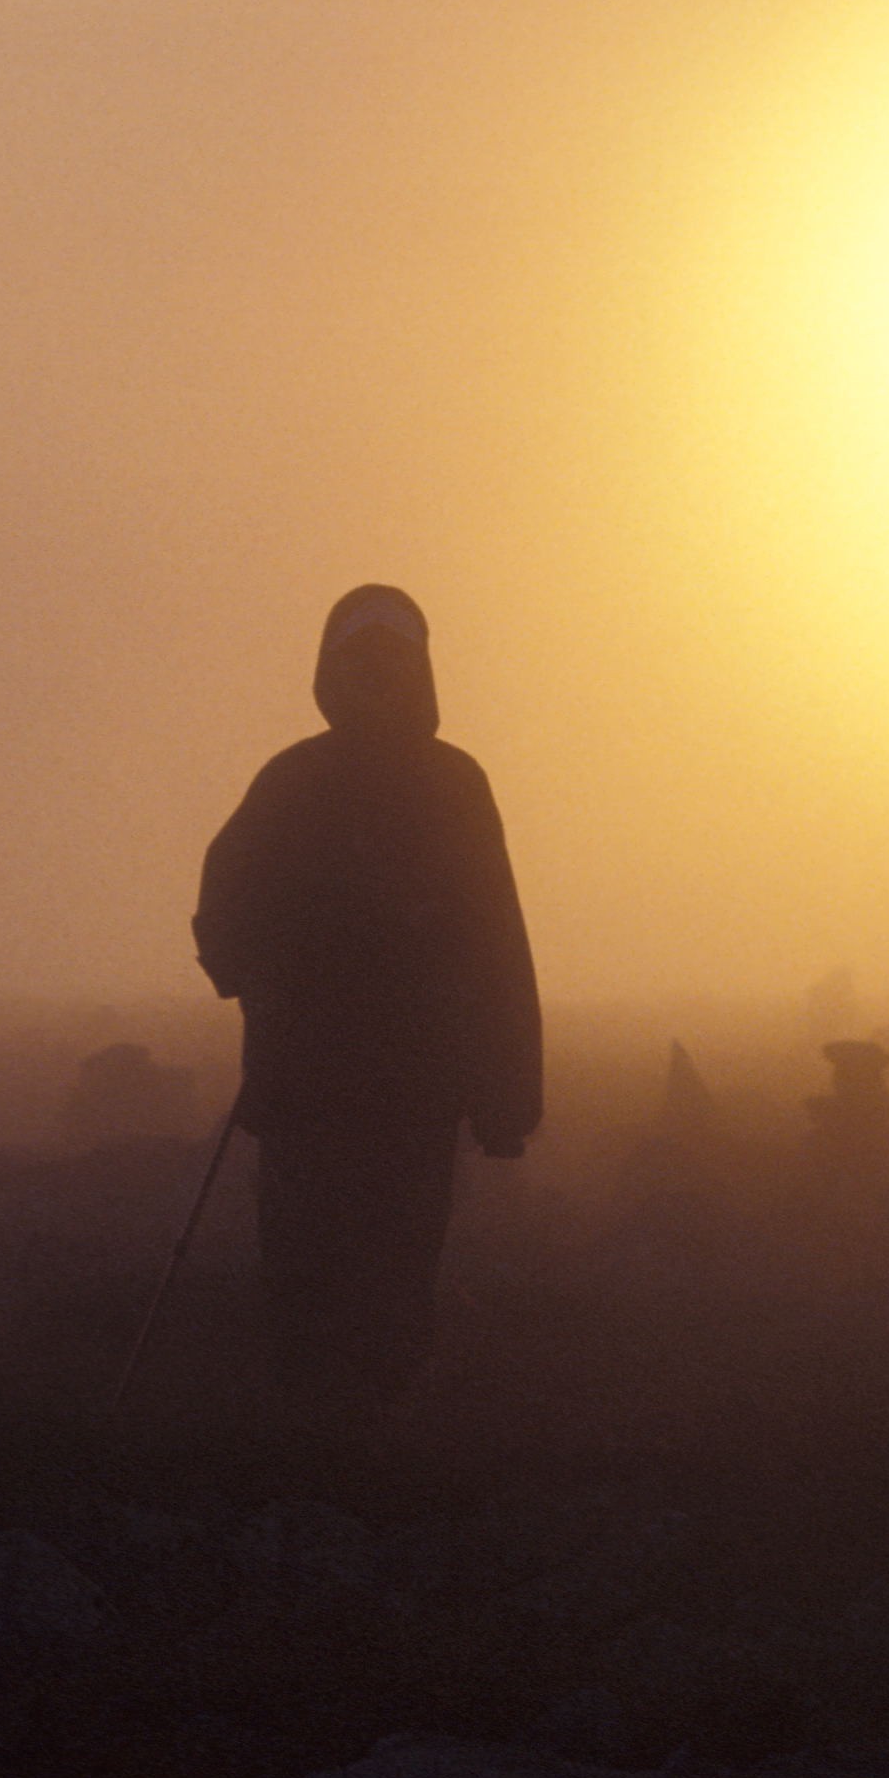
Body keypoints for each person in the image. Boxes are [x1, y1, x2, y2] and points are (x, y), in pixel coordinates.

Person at [192, 585, 540, 1411]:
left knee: (385, 1282)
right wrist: (264, 974)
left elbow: (496, 943)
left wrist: (506, 1098)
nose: (378, 683)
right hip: (328, 1084)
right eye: (364, 666)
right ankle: (323, 1456)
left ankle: (363, 1456)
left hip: (394, 1088)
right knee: (320, 1282)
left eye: (391, 666)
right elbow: (226, 916)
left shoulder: (438, 785)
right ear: (334, 674)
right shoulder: (306, 781)